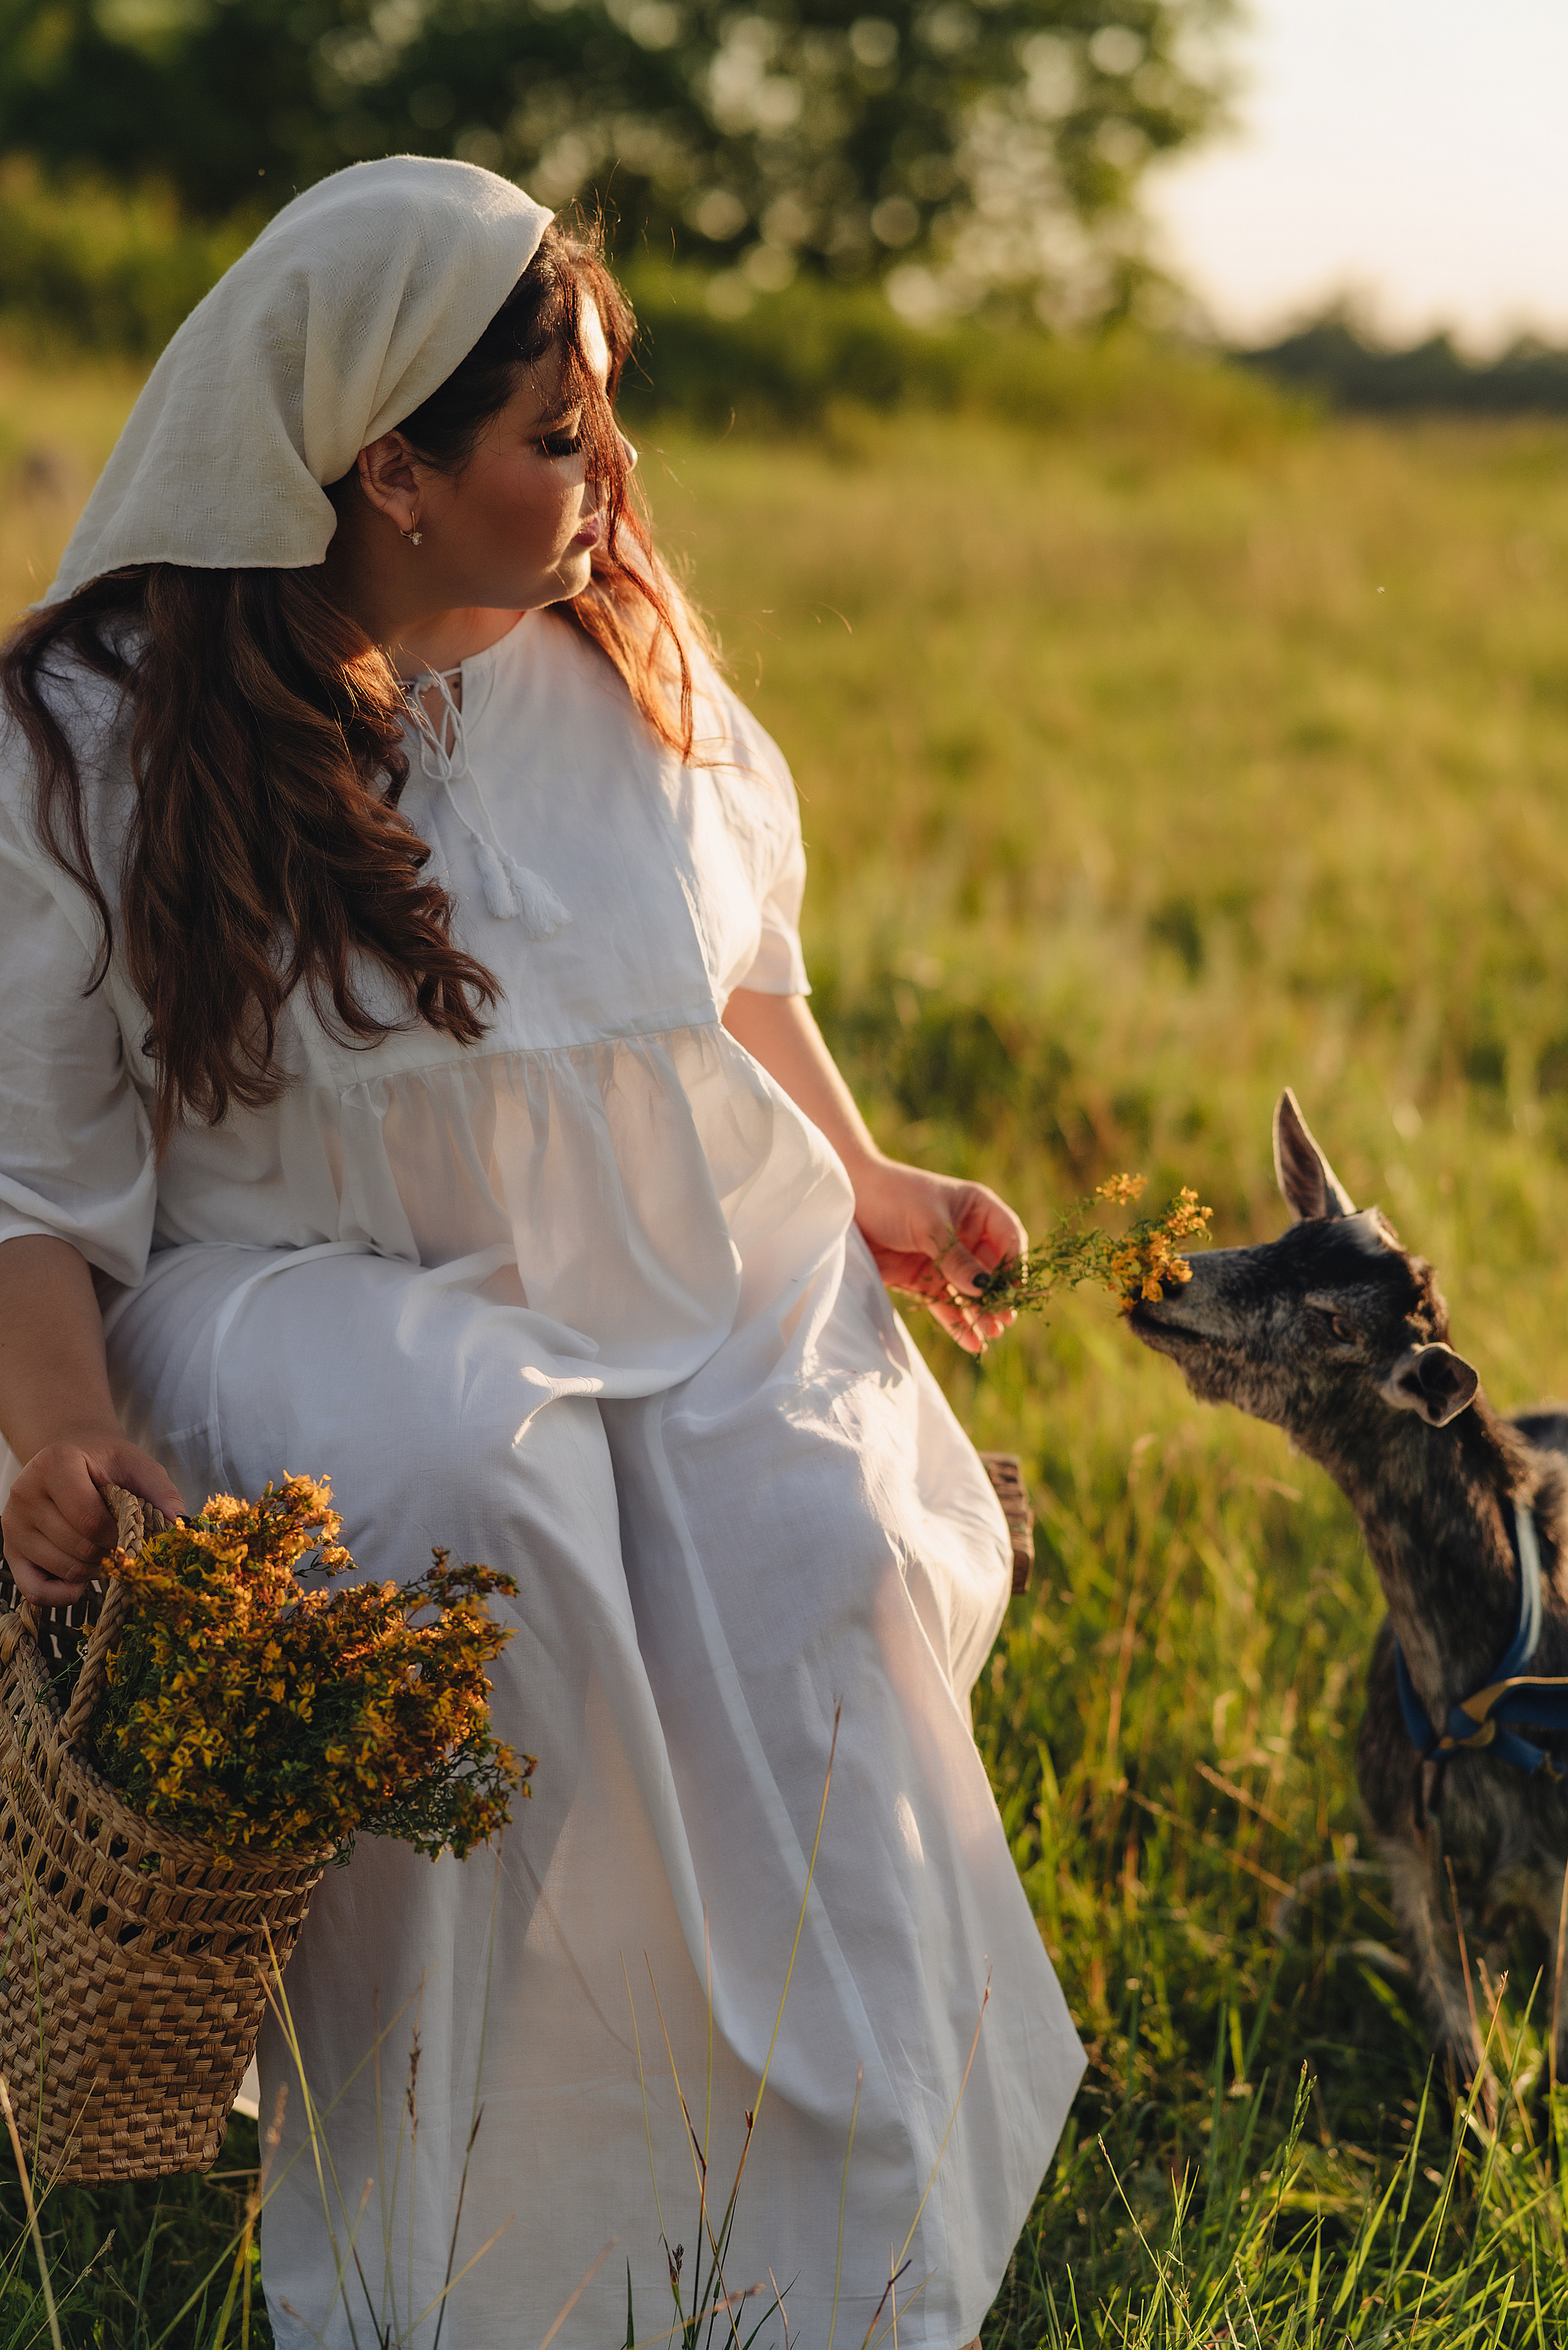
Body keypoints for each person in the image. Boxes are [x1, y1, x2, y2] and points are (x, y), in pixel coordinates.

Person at [0, 156, 1084, 2348]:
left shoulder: (621, 652)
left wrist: (863, 1182)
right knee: (488, 1482)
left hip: (664, 1275)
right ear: (385, 465)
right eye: (553, 435)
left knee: (815, 1548)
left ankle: (828, 2261)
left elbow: (726, 981)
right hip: (283, 1295)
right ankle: (475, 2257)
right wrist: (60, 1430)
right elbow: (32, 1174)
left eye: (598, 419)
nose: (605, 478)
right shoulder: (101, 732)